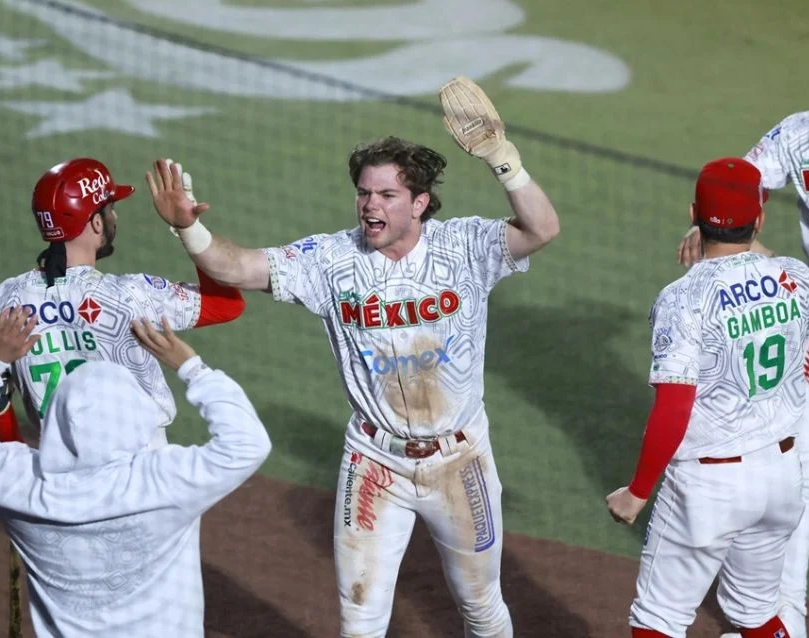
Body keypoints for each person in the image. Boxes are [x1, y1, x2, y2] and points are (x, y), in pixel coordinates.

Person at [146, 75, 560, 637]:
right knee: (360, 620)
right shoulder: (330, 260)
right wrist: (189, 229)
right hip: (374, 462)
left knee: (481, 607)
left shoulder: (465, 246)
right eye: (364, 193)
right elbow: (236, 267)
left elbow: (542, 228)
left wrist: (502, 159)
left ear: (419, 203)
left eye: (387, 195)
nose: (370, 206)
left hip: (460, 461)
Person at [0, 307, 272, 637]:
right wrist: (192, 368)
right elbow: (247, 445)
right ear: (137, 417)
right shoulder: (161, 482)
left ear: (57, 419)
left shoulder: (21, 485)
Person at [609, 157, 809, 638]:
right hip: (783, 477)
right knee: (756, 611)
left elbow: (674, 405)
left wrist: (637, 492)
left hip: (711, 485)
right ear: (760, 220)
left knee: (657, 621)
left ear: (693, 215)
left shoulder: (683, 297)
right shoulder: (795, 278)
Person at [0, 157, 246, 448]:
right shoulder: (129, 295)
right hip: (140, 473)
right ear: (95, 222)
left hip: (59, 475)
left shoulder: (7, 300)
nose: (114, 218)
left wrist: (14, 464)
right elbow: (226, 305)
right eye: (111, 210)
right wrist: (188, 229)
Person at [677, 110, 809, 638]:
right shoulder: (803, 132)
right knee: (799, 491)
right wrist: (713, 224)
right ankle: (784, 624)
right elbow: (748, 179)